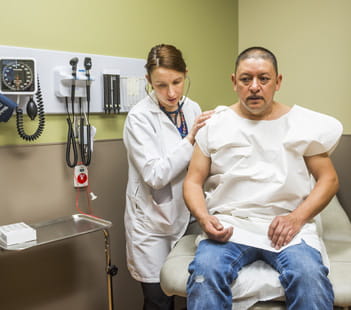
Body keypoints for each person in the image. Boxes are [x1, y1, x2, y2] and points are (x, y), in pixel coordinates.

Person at [183, 46, 343, 310]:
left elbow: (329, 179)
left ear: (277, 82)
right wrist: (203, 217)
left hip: (288, 228)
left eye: (264, 79)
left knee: (309, 278)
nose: (254, 86)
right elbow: (192, 181)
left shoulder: (301, 124)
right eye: (246, 79)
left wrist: (297, 217)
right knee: (205, 274)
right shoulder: (215, 125)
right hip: (230, 227)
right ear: (234, 82)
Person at [123, 44, 212, 310]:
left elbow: (200, 161)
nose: (171, 92)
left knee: (192, 290)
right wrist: (191, 138)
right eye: (161, 85)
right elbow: (155, 175)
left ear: (186, 74)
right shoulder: (138, 118)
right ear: (148, 81)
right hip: (151, 225)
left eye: (177, 82)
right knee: (158, 300)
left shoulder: (192, 108)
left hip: (187, 218)